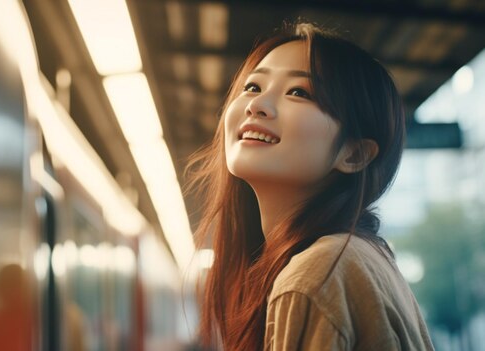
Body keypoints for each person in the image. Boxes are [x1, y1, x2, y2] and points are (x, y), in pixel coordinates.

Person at [186, 22, 434, 350]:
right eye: (253, 87)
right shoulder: (354, 257)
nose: (255, 105)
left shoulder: (317, 274)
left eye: (299, 92)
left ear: (354, 154)